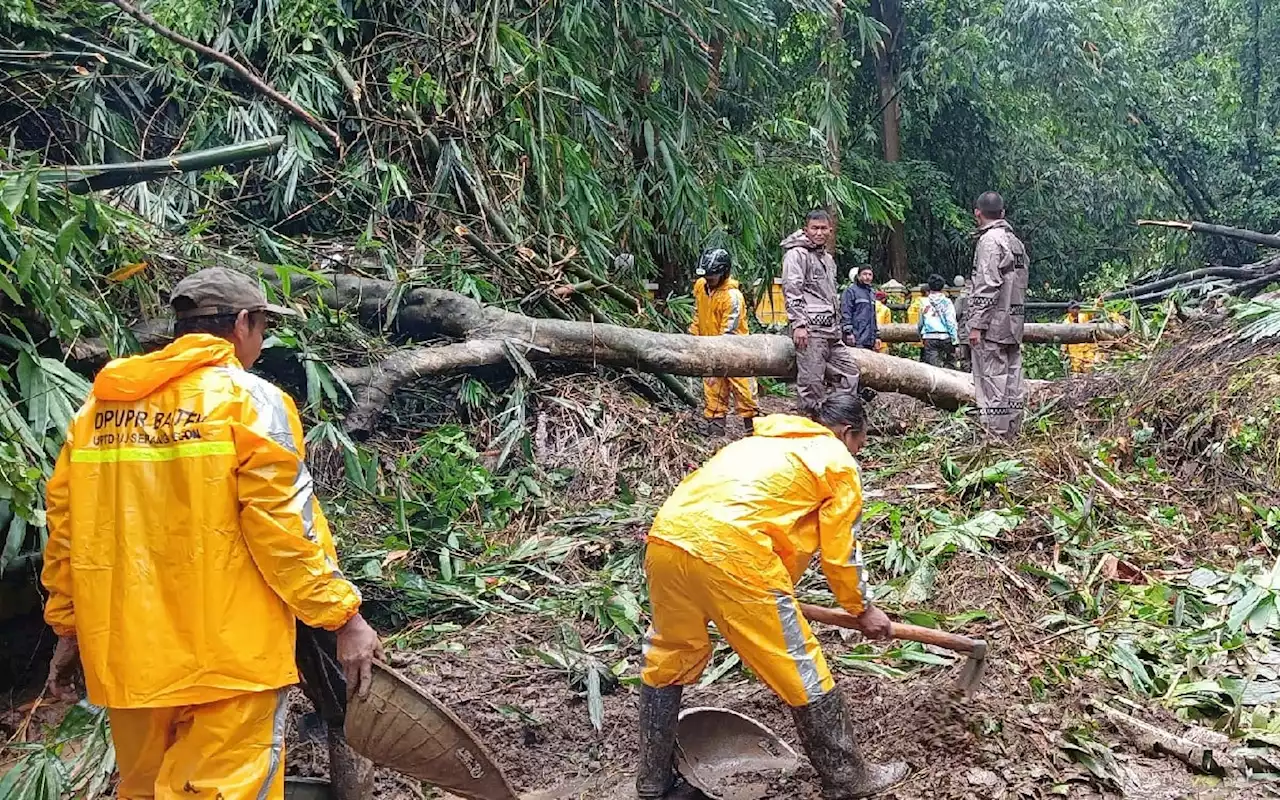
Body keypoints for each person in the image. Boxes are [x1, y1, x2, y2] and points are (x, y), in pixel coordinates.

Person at [41, 267, 383, 800]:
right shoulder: (250, 401)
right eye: (264, 327)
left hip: (128, 658)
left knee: (146, 790)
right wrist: (343, 615)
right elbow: (283, 525)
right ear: (244, 323)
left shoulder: (97, 412)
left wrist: (68, 625)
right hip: (229, 657)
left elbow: (65, 531)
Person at [636, 394, 909, 800]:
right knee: (801, 670)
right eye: (860, 445)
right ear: (849, 434)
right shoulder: (836, 461)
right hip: (735, 555)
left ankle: (653, 783)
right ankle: (849, 779)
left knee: (668, 656)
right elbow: (840, 553)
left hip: (666, 543)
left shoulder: (754, 445)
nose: (857, 454)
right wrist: (863, 608)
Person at [781, 211, 861, 407]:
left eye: (823, 228)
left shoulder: (827, 259)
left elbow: (830, 296)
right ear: (806, 229)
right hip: (811, 331)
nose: (819, 232)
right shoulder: (796, 254)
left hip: (831, 331)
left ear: (830, 230)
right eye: (814, 228)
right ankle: (811, 427)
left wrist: (841, 328)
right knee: (812, 384)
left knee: (849, 374)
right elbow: (792, 289)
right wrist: (798, 324)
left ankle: (836, 417)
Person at [967, 191, 1028, 439]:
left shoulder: (990, 241)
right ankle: (1012, 431)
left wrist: (976, 325)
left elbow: (987, 283)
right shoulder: (1015, 242)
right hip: (1014, 322)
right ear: (1002, 213)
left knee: (993, 380)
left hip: (993, 324)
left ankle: (995, 436)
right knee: (1013, 379)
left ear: (977, 213)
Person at [689, 248, 758, 433]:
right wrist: (694, 340)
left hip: (736, 349)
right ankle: (716, 431)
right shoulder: (700, 287)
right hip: (708, 347)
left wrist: (716, 351)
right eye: (707, 276)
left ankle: (753, 431)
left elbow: (729, 330)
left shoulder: (732, 297)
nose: (709, 281)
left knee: (745, 392)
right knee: (713, 390)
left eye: (712, 277)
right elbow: (697, 315)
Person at [917, 274, 959, 369]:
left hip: (929, 337)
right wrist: (955, 340)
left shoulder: (924, 302)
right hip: (946, 336)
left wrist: (921, 336)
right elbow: (951, 322)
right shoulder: (947, 302)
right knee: (950, 365)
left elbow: (920, 323)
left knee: (933, 368)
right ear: (942, 286)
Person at [840, 266, 879, 351]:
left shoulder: (871, 293)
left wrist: (876, 337)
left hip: (869, 340)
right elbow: (846, 312)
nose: (867, 277)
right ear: (858, 276)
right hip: (856, 338)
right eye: (864, 274)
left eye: (870, 275)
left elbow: (873, 317)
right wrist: (848, 333)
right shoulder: (850, 291)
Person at [1062, 300, 1099, 375]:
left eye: (1077, 308)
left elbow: (1093, 312)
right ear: (1069, 310)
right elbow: (1064, 338)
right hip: (1075, 352)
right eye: (1073, 308)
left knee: (1090, 370)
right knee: (1076, 372)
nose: (1076, 310)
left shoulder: (1084, 316)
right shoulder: (1066, 323)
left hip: (1088, 349)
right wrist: (1063, 349)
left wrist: (1098, 303)